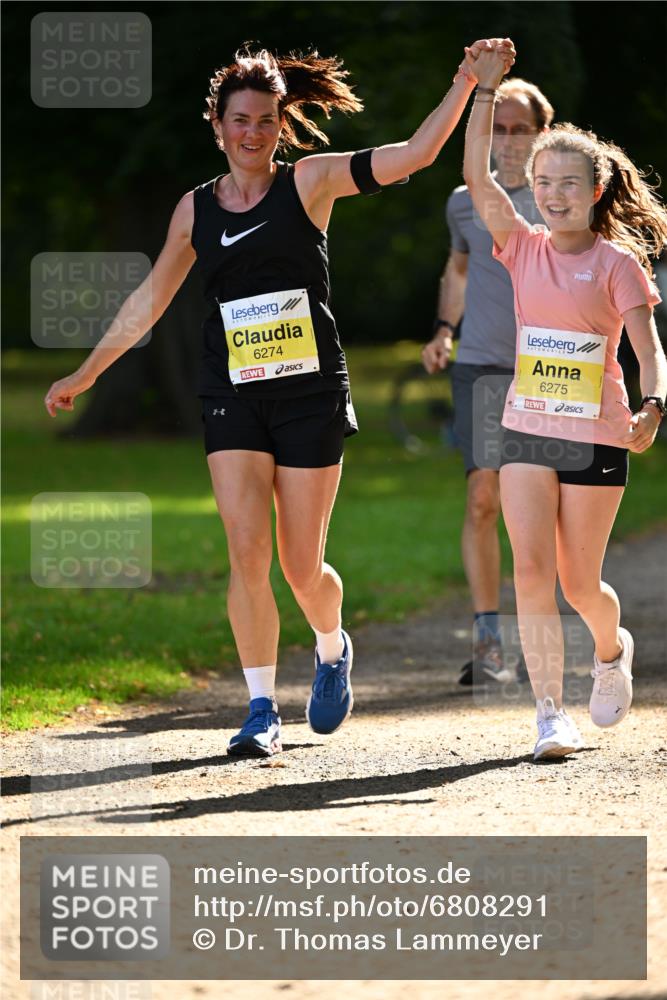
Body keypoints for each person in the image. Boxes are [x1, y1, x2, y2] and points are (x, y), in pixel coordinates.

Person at [44, 40, 515, 757]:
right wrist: (88, 371)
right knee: (244, 549)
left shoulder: (312, 183)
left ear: (280, 124)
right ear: (217, 124)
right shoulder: (195, 210)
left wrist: (465, 83)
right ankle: (260, 707)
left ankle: (331, 645)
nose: (252, 132)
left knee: (301, 565)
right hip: (230, 390)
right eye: (239, 120)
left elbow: (415, 154)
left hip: (309, 394)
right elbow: (148, 299)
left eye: (265, 120)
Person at [462, 41, 667, 760]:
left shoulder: (616, 263)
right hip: (524, 427)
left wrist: (653, 407)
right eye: (542, 180)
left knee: (580, 582)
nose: (552, 193)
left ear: (595, 189)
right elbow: (475, 176)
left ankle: (609, 652)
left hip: (598, 433)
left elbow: (647, 348)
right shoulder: (519, 246)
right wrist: (481, 90)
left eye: (567, 182)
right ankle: (549, 710)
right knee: (530, 568)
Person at [422, 77, 554, 686]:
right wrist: (445, 329)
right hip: (479, 366)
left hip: (549, 371)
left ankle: (541, 638)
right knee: (482, 498)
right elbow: (459, 267)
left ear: (540, 133)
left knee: (542, 509)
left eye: (518, 128)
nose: (506, 140)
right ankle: (489, 643)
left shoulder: (563, 199)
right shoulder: (461, 201)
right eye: (496, 128)